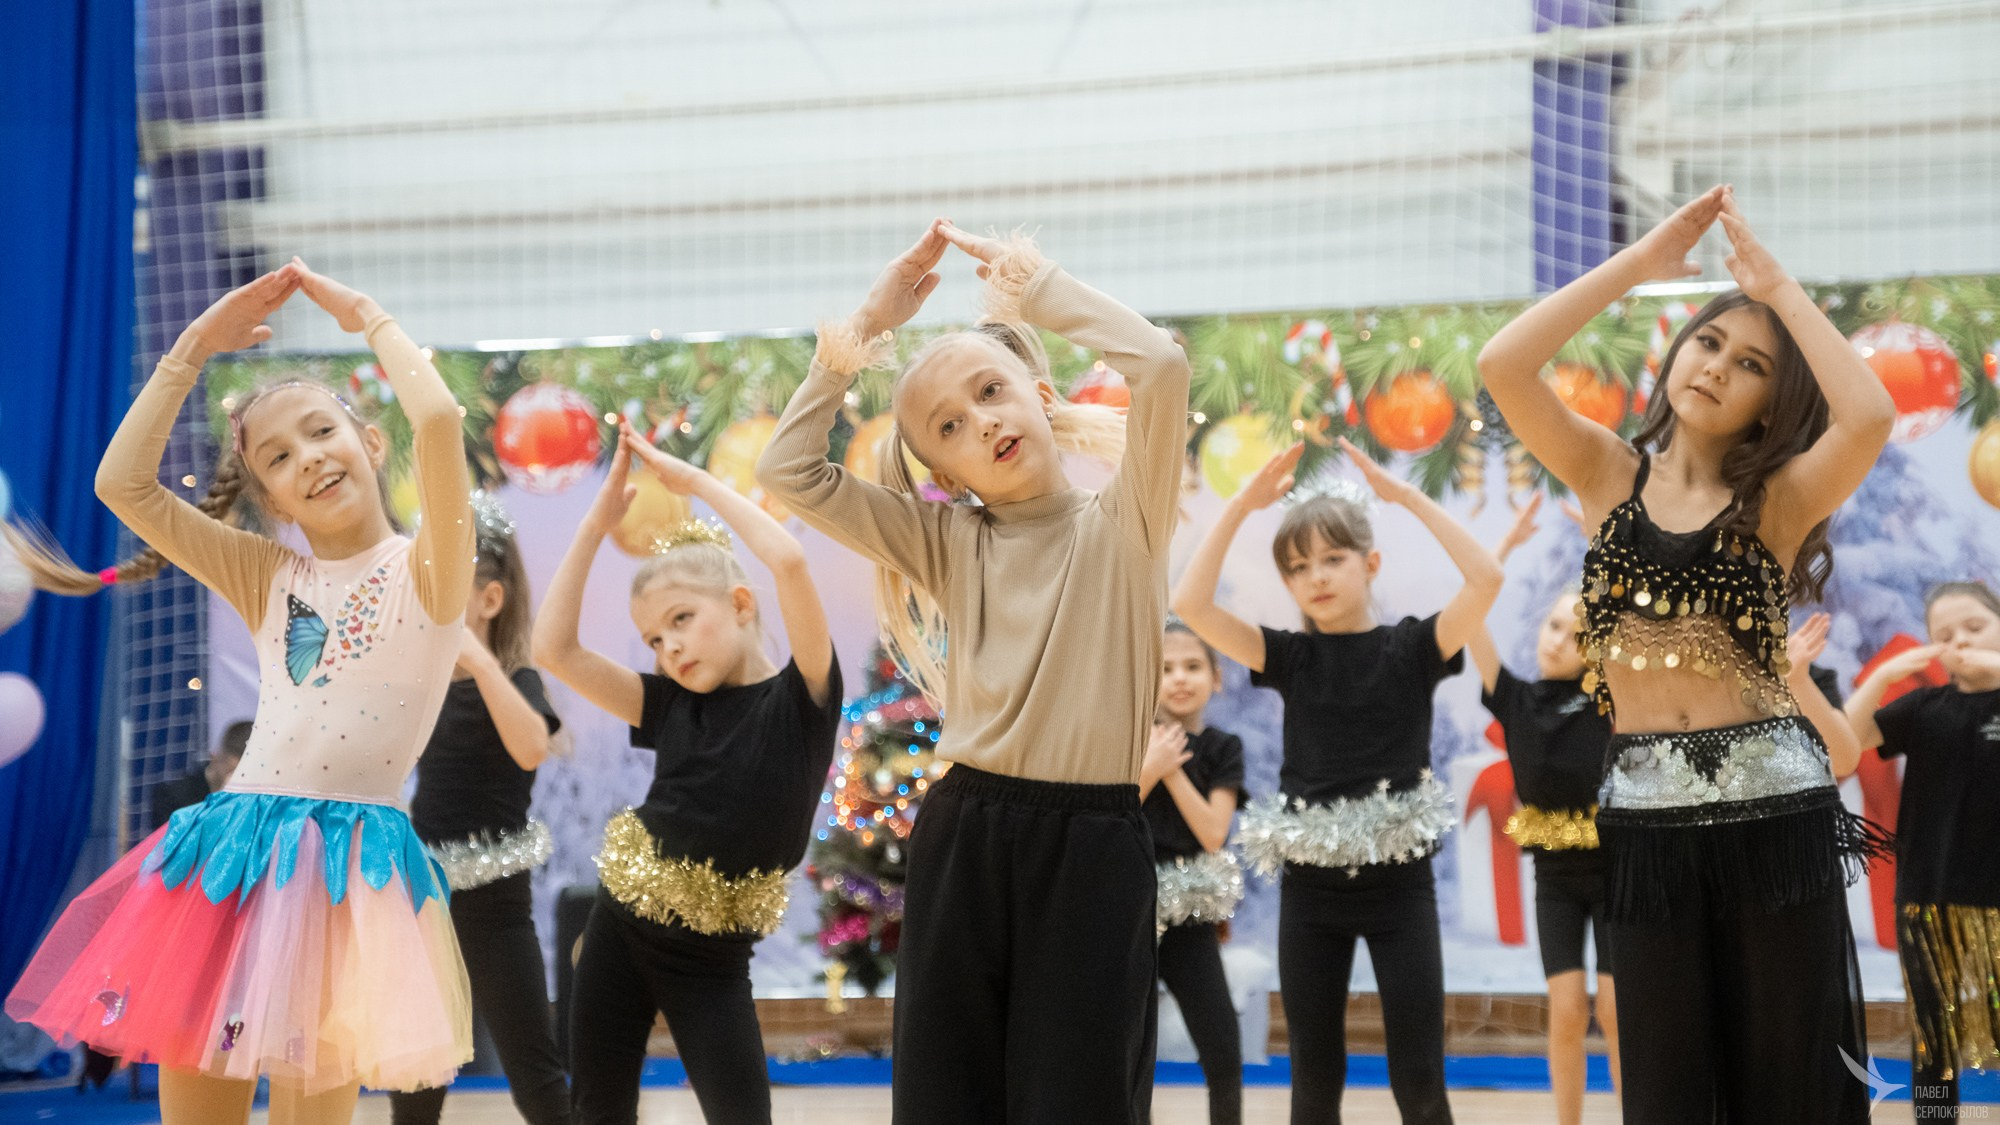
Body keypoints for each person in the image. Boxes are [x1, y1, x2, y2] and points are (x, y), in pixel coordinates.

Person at [5, 260, 476, 1124]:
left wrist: (370, 313)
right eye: (280, 457)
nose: (311, 459)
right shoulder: (267, 575)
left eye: (323, 431)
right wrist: (190, 349)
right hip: (228, 862)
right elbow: (123, 486)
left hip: (344, 878)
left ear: (370, 443)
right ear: (271, 500)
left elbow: (440, 418)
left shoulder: (431, 572)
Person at [1476, 185, 1895, 1122]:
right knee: (1665, 1083)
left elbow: (1866, 417)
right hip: (1644, 823)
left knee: (1787, 1074)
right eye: (1708, 342)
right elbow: (1504, 365)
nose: (1716, 367)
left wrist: (1778, 289)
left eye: (1749, 364)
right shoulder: (1602, 472)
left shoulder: (1780, 498)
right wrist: (1638, 267)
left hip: (1774, 820)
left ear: (1769, 402)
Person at [756, 220, 1188, 1122]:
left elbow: (1160, 365)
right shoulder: (945, 542)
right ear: (939, 471)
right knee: (947, 1096)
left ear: (1038, 392)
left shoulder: (1126, 523)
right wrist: (866, 327)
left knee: (1080, 1098)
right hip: (967, 834)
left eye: (992, 393)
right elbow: (788, 468)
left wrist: (1034, 286)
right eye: (949, 425)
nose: (981, 421)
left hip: (1095, 847)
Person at [1172, 439, 1503, 1125]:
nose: (1315, 576)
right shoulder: (1289, 655)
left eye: (1332, 558)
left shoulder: (1415, 646)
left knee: (1419, 1082)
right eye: (1298, 567)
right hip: (1312, 893)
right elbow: (1191, 603)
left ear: (1369, 562)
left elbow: (1487, 578)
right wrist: (1241, 505)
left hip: (1399, 888)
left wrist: (1405, 498)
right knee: (1314, 1084)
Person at [532, 423, 839, 1125]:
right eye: (653, 638)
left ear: (739, 603)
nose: (668, 646)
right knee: (597, 1109)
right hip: (621, 925)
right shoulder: (667, 703)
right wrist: (595, 523)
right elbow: (553, 648)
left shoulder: (801, 697)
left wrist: (695, 484)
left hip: (712, 958)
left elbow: (788, 560)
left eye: (681, 619)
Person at [388, 493, 569, 1125]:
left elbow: (530, 748)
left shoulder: (514, 678)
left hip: (497, 905)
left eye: (446, 587)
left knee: (535, 1068)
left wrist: (480, 661)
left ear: (489, 601)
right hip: (426, 899)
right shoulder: (417, 686)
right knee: (418, 1071)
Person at [1844, 581, 2000, 1119]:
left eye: (1975, 628)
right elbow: (1848, 740)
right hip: (1928, 899)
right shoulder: (1926, 705)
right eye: (1945, 635)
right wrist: (1883, 677)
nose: (1961, 642)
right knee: (1934, 1041)